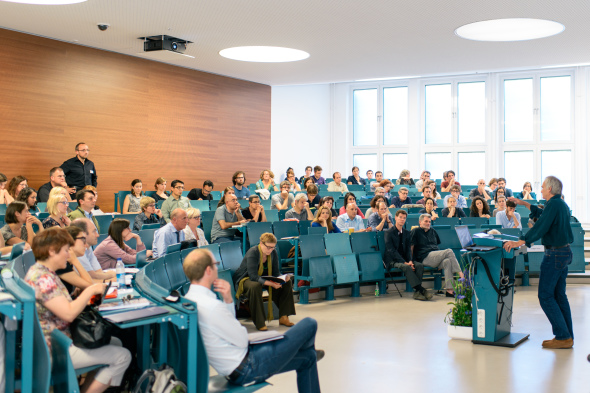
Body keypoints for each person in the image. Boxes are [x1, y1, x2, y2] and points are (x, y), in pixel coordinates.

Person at [184, 248, 322, 391]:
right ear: (208, 270)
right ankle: (302, 347)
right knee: (309, 324)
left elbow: (226, 328)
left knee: (308, 357)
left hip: (233, 367)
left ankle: (305, 349)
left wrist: (228, 300)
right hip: (248, 367)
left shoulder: (190, 300)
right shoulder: (212, 307)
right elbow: (242, 340)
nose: (217, 268)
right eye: (215, 264)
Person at [24, 228, 131, 392]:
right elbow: (68, 313)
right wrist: (91, 290)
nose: (69, 255)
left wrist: (77, 295)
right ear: (52, 251)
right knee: (123, 356)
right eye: (66, 250)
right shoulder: (43, 279)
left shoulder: (40, 272)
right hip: (57, 347)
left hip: (57, 339)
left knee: (114, 341)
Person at [504, 176, 574, 349]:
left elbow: (541, 225)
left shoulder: (555, 205)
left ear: (550, 189)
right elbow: (542, 213)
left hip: (555, 254)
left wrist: (521, 241)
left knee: (545, 295)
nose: (541, 190)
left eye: (542, 187)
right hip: (564, 252)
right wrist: (523, 203)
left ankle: (562, 336)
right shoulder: (560, 204)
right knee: (559, 295)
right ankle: (567, 336)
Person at [232, 233, 297, 330]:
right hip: (245, 278)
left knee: (286, 284)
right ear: (261, 244)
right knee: (255, 286)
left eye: (273, 247)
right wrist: (271, 284)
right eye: (268, 247)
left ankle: (284, 316)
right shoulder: (253, 252)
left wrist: (283, 277)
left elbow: (275, 272)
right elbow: (253, 276)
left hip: (264, 277)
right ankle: (260, 322)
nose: (270, 250)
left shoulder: (273, 253)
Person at [411, 214, 464, 297]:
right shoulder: (415, 231)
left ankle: (449, 291)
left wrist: (439, 259)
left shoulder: (433, 231)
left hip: (435, 257)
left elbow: (436, 246)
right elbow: (411, 248)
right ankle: (461, 276)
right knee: (449, 251)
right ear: (420, 222)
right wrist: (411, 260)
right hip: (424, 257)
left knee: (447, 261)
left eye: (429, 221)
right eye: (426, 221)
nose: (428, 223)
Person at [384, 210, 432, 301]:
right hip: (392, 260)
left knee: (419, 265)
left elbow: (408, 249)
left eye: (404, 218)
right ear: (396, 218)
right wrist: (405, 262)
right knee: (407, 267)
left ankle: (417, 293)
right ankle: (420, 290)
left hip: (405, 259)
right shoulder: (389, 232)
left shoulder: (407, 233)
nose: (402, 219)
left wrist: (409, 260)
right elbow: (391, 250)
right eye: (400, 217)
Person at [56, 226, 96, 293]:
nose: (86, 244)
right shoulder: (60, 264)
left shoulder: (67, 263)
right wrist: (75, 260)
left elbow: (84, 283)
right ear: (70, 240)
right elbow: (90, 285)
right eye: (83, 240)